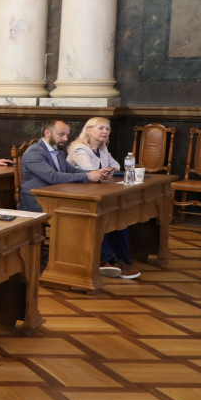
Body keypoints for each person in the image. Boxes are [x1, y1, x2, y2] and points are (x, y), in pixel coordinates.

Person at [64, 117, 139, 279]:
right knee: (103, 219)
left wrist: (105, 171)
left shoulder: (102, 148)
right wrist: (102, 172)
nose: (105, 132)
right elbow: (90, 171)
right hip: (75, 196)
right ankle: (108, 259)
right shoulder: (79, 149)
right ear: (88, 130)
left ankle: (120, 259)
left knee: (118, 219)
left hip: (96, 192)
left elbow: (116, 166)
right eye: (101, 128)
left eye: (107, 129)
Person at [20, 119, 114, 212]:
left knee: (100, 208)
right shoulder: (34, 151)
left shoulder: (57, 149)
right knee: (84, 210)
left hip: (56, 195)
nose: (66, 139)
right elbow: (52, 177)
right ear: (47, 133)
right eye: (61, 134)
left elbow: (69, 170)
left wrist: (95, 173)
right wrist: (88, 176)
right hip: (37, 201)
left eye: (67, 135)